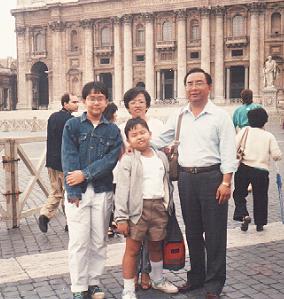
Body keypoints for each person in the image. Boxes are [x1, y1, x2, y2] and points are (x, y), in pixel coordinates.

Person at [151, 68, 238, 299]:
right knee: (193, 231)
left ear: (209, 87)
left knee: (215, 234)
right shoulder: (179, 115)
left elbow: (229, 151)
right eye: (189, 84)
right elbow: (160, 139)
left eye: (199, 83)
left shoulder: (220, 117)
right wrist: (138, 144)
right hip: (187, 179)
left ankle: (214, 283)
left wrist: (226, 182)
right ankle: (197, 276)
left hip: (213, 178)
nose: (194, 88)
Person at [61, 81, 123, 299]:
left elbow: (111, 160)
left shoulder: (113, 130)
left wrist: (85, 174)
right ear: (84, 100)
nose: (96, 102)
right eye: (92, 98)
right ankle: (79, 286)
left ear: (106, 101)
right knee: (79, 241)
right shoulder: (73, 126)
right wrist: (73, 190)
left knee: (99, 240)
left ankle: (94, 282)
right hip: (78, 191)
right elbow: (68, 158)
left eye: (100, 98)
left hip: (102, 190)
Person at [115, 117, 178, 299]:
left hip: (159, 207)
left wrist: (168, 206)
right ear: (128, 140)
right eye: (134, 135)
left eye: (142, 132)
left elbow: (167, 182)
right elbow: (122, 190)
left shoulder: (161, 156)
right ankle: (128, 289)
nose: (140, 137)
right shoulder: (128, 160)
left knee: (156, 246)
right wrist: (121, 217)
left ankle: (157, 279)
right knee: (132, 249)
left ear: (150, 134)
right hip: (137, 210)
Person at [121, 87, 164, 290]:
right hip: (131, 186)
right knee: (134, 240)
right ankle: (133, 278)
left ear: (147, 103)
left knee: (154, 240)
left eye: (140, 101)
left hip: (153, 192)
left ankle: (146, 272)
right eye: (133, 102)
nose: (137, 105)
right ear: (127, 106)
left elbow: (163, 155)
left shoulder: (157, 125)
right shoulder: (121, 127)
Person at [233, 108, 282, 232]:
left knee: (239, 193)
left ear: (249, 120)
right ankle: (260, 223)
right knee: (261, 196)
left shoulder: (245, 131)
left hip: (244, 167)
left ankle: (244, 214)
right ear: (265, 121)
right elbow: (277, 155)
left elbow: (234, 145)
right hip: (261, 170)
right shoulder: (268, 136)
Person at [38, 93, 79, 233]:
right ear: (65, 103)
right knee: (68, 192)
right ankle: (70, 222)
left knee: (56, 192)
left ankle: (44, 215)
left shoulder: (52, 117)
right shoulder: (71, 121)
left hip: (51, 161)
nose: (77, 104)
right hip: (65, 162)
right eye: (74, 102)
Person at [102, 102, 119, 238]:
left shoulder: (108, 128)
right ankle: (108, 224)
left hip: (111, 171)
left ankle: (110, 221)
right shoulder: (112, 129)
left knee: (110, 199)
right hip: (113, 170)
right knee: (111, 199)